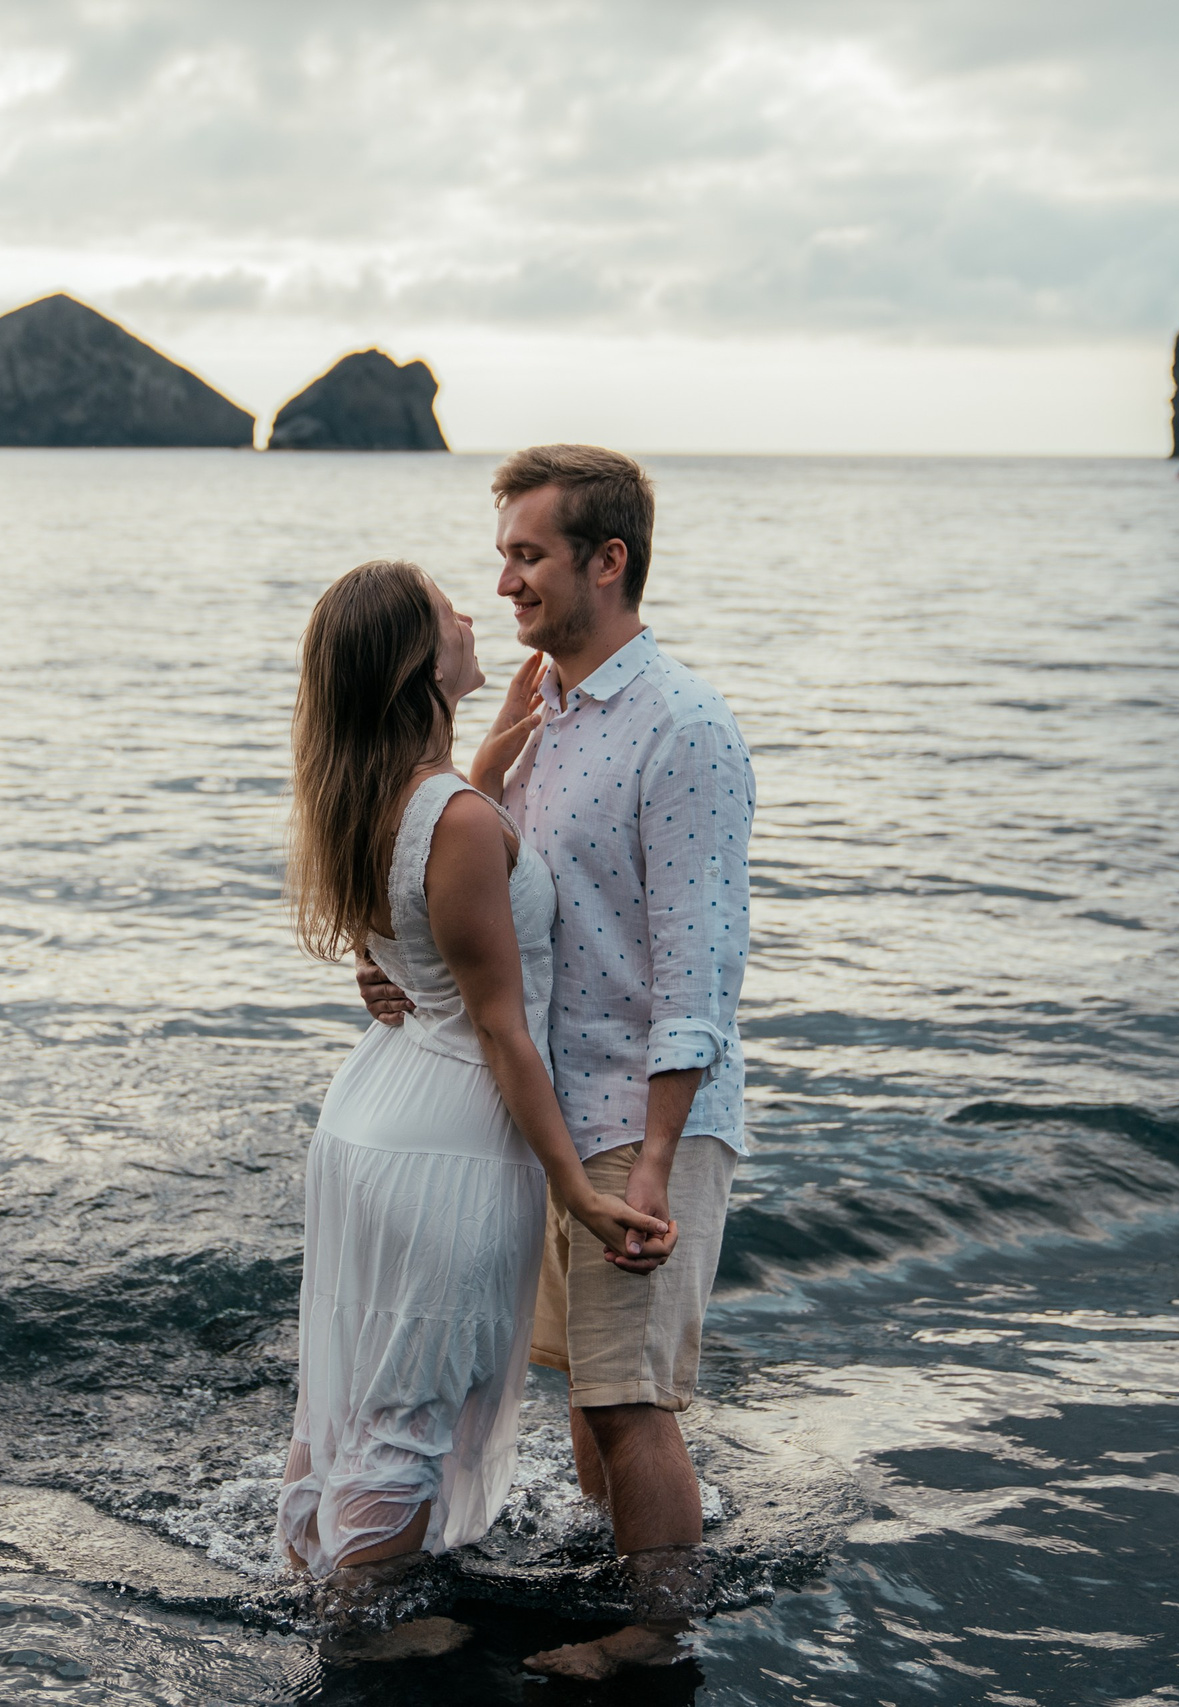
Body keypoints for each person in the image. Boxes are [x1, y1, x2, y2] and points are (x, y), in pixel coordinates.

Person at [359, 445, 756, 1681]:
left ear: (607, 561)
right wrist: (403, 962)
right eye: (503, 554)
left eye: (528, 554)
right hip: (544, 1113)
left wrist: (651, 1160)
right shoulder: (537, 713)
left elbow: (699, 975)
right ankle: (612, 1566)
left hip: (641, 1118)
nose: (507, 578)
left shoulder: (679, 728)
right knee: (585, 1389)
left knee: (628, 1393)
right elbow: (496, 895)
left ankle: (654, 1635)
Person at [276, 559, 668, 1655]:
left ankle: (326, 1561)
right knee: (423, 1383)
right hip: (450, 1134)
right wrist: (576, 1193)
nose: (470, 611)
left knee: (369, 1379)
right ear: (418, 663)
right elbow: (502, 1027)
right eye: (447, 610)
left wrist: (490, 755)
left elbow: (419, 928)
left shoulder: (371, 794)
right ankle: (359, 1630)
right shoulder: (449, 819)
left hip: (376, 1108)